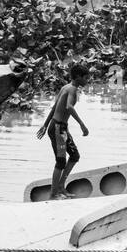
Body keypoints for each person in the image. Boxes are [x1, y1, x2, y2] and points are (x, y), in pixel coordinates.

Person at [37, 62, 91, 199]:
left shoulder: (66, 87)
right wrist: (82, 125)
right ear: (78, 77)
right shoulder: (72, 89)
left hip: (60, 127)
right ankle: (53, 194)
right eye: (85, 78)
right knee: (60, 161)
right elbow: (69, 107)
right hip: (57, 127)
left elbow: (54, 107)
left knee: (74, 155)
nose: (87, 80)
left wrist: (44, 125)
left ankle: (61, 187)